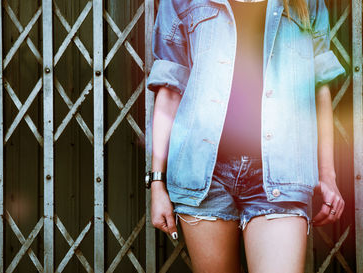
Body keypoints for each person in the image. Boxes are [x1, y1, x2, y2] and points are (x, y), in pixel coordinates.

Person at [146, 0, 346, 272]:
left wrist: (328, 175)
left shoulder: (307, 3)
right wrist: (157, 182)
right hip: (204, 177)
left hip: (281, 175)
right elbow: (169, 91)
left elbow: (319, 85)